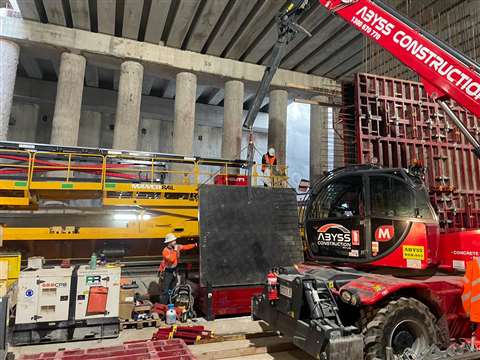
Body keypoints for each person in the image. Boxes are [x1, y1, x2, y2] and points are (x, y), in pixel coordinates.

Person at [159, 233, 197, 304]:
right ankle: (163, 305)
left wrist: (195, 245)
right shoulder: (165, 251)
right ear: (169, 242)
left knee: (173, 288)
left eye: (175, 240)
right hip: (167, 272)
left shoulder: (176, 246)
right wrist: (175, 251)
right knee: (166, 290)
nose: (175, 242)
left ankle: (171, 303)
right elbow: (172, 260)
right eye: (173, 241)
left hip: (174, 270)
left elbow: (185, 247)